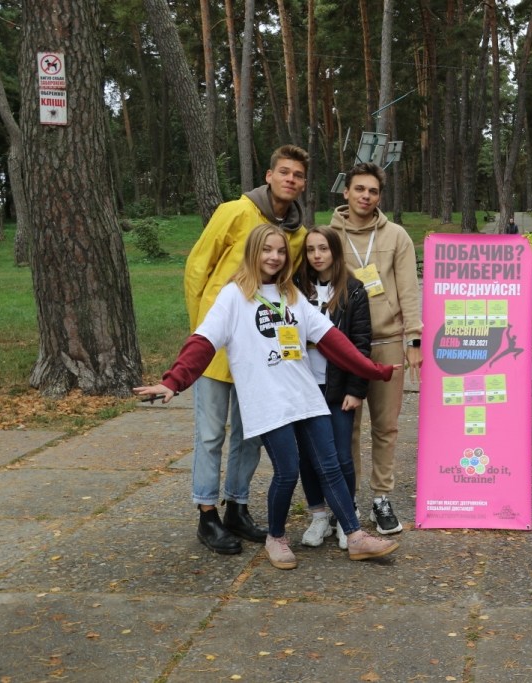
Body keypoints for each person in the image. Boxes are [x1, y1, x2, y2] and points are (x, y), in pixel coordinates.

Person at [136, 224, 400, 570]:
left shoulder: (292, 295)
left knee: (331, 466)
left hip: (305, 395)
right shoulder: (233, 296)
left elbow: (333, 340)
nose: (274, 257)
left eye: (280, 251)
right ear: (252, 252)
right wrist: (174, 381)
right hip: (268, 402)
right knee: (287, 472)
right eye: (267, 250)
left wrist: (373, 370)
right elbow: (203, 341)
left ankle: (354, 536)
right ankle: (276, 537)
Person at [183, 145, 309, 555]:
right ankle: (207, 514)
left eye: (298, 175)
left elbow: (288, 289)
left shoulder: (297, 233)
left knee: (249, 436)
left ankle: (237, 506)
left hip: (259, 352)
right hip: (217, 348)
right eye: (284, 172)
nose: (290, 179)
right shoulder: (235, 212)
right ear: (269, 175)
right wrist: (202, 334)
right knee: (210, 435)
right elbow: (197, 267)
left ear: (303, 184)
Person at [329, 163, 423, 534]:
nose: (366, 196)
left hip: (386, 342)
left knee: (386, 427)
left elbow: (409, 290)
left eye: (373, 191)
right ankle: (347, 498)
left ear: (379, 196)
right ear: (346, 192)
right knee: (345, 428)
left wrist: (413, 339)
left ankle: (381, 498)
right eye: (359, 189)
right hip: (343, 347)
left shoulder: (397, 236)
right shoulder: (329, 235)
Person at [295, 226, 372, 551]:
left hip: (339, 387)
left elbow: (361, 343)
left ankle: (345, 515)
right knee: (308, 456)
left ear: (335, 252)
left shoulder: (353, 290)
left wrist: (356, 389)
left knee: (341, 456)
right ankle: (319, 515)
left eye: (323, 249)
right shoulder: (294, 288)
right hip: (303, 385)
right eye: (311, 249)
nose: (317, 255)